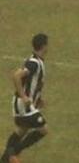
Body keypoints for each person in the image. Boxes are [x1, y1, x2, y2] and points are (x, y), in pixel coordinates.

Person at [1, 34, 50, 163]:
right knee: (43, 129)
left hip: (26, 104)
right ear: (44, 46)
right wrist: (23, 96)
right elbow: (16, 76)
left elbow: (33, 83)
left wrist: (38, 99)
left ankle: (6, 159)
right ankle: (13, 154)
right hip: (24, 105)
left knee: (21, 131)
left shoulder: (37, 61)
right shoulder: (34, 63)